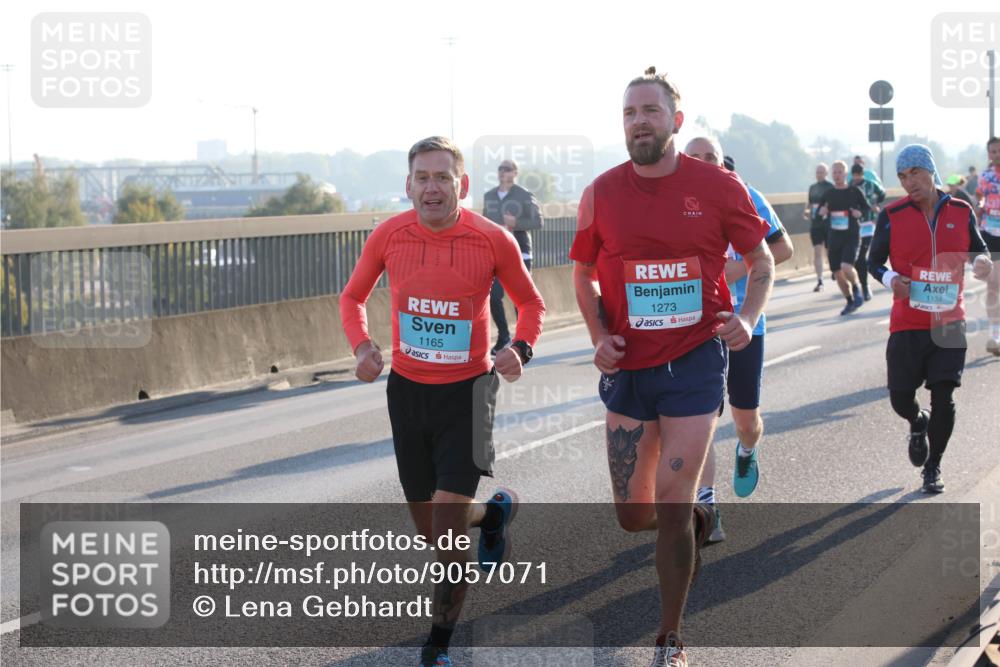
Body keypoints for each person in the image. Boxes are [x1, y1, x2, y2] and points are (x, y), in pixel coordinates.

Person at [571, 67, 774, 667]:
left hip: (694, 361)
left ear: (676, 122)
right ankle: (696, 514)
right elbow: (581, 275)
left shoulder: (716, 187)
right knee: (635, 516)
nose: (639, 121)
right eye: (630, 113)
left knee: (674, 505)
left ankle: (670, 638)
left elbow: (762, 261)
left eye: (650, 112)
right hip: (629, 366)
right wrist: (599, 335)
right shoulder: (602, 193)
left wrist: (747, 318)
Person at [339, 136, 546, 667]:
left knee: (449, 536)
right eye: (422, 178)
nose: (432, 187)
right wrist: (362, 346)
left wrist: (520, 347)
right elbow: (353, 296)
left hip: (469, 394)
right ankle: (493, 515)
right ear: (408, 185)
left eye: (443, 177)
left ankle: (438, 644)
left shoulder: (491, 238)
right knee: (432, 530)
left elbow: (530, 302)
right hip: (407, 393)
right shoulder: (389, 234)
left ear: (463, 185)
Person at [684, 139, 793, 544]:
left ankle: (747, 451)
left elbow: (782, 247)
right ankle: (707, 504)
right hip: (697, 327)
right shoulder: (674, 202)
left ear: (722, 163)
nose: (702, 165)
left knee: (745, 421)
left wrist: (732, 270)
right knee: (701, 419)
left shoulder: (745, 195)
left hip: (746, 325)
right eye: (693, 158)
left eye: (709, 158)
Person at [868, 144, 992, 493]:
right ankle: (916, 420)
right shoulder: (891, 215)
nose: (910, 182)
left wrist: (982, 262)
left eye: (915, 174)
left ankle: (933, 467)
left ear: (930, 171)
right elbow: (874, 262)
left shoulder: (961, 210)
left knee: (945, 397)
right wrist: (893, 280)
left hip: (949, 321)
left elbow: (978, 249)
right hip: (907, 321)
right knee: (900, 398)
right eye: (903, 177)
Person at [482, 159, 544, 355]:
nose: (503, 172)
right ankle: (504, 337)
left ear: (515, 172)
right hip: (495, 253)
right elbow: (484, 222)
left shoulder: (524, 195)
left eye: (507, 169)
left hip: (520, 252)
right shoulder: (489, 196)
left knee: (522, 299)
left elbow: (538, 222)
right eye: (500, 169)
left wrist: (516, 222)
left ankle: (522, 339)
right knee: (493, 296)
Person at [818, 160, 870, 315]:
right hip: (834, 237)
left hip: (851, 236)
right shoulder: (828, 194)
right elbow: (819, 212)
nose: (837, 175)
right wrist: (822, 211)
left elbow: (866, 209)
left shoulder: (854, 192)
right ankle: (849, 301)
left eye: (840, 172)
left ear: (845, 174)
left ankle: (856, 287)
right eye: (834, 172)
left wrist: (858, 214)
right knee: (837, 273)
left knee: (846, 267)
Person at [975, 137, 1000, 356]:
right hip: (990, 232)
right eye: (992, 151)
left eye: (999, 151)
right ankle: (995, 331)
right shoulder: (985, 176)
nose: (996, 154)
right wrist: (980, 205)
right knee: (993, 283)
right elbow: (980, 197)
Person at [850, 163, 887, 301]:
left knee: (861, 257)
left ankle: (865, 287)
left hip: (869, 224)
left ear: (862, 174)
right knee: (855, 260)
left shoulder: (871, 184)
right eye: (854, 176)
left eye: (858, 175)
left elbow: (882, 193)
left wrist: (876, 204)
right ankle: (860, 284)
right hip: (855, 225)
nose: (856, 178)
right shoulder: (850, 186)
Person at [806, 163, 834, 292]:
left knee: (829, 251)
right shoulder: (812, 188)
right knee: (817, 251)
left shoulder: (831, 187)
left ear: (826, 173)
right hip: (815, 224)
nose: (819, 174)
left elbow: (836, 204)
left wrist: (827, 209)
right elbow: (810, 204)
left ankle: (834, 269)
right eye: (817, 172)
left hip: (828, 224)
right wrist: (807, 211)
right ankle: (820, 280)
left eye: (822, 172)